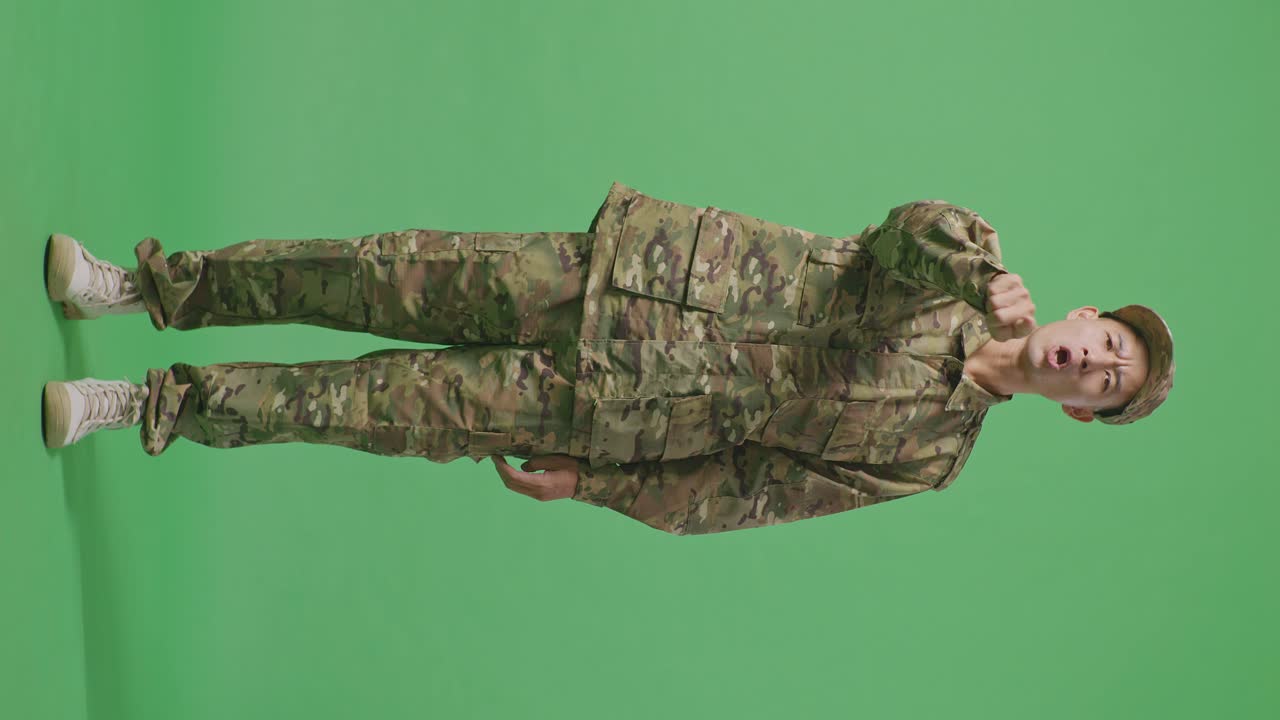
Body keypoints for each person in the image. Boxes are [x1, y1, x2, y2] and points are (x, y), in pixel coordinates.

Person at [41, 181, 1175, 536]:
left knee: (364, 405)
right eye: (1107, 343)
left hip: (605, 410)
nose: (1091, 362)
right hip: (615, 277)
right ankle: (146, 287)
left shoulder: (929, 458)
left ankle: (143, 400)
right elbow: (900, 229)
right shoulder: (958, 272)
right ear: (1083, 315)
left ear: (1080, 411)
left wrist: (598, 485)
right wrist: (981, 274)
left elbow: (754, 491)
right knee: (367, 271)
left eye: (1106, 382)